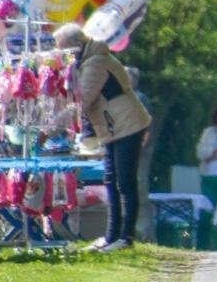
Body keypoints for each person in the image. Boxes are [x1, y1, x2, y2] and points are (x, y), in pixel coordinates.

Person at [56, 23, 152, 252]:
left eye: (64, 49)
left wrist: (57, 119)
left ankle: (125, 238)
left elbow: (84, 98)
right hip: (112, 126)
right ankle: (111, 236)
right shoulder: (89, 61)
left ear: (76, 46)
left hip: (127, 124)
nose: (62, 55)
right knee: (111, 180)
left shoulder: (96, 63)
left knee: (124, 182)